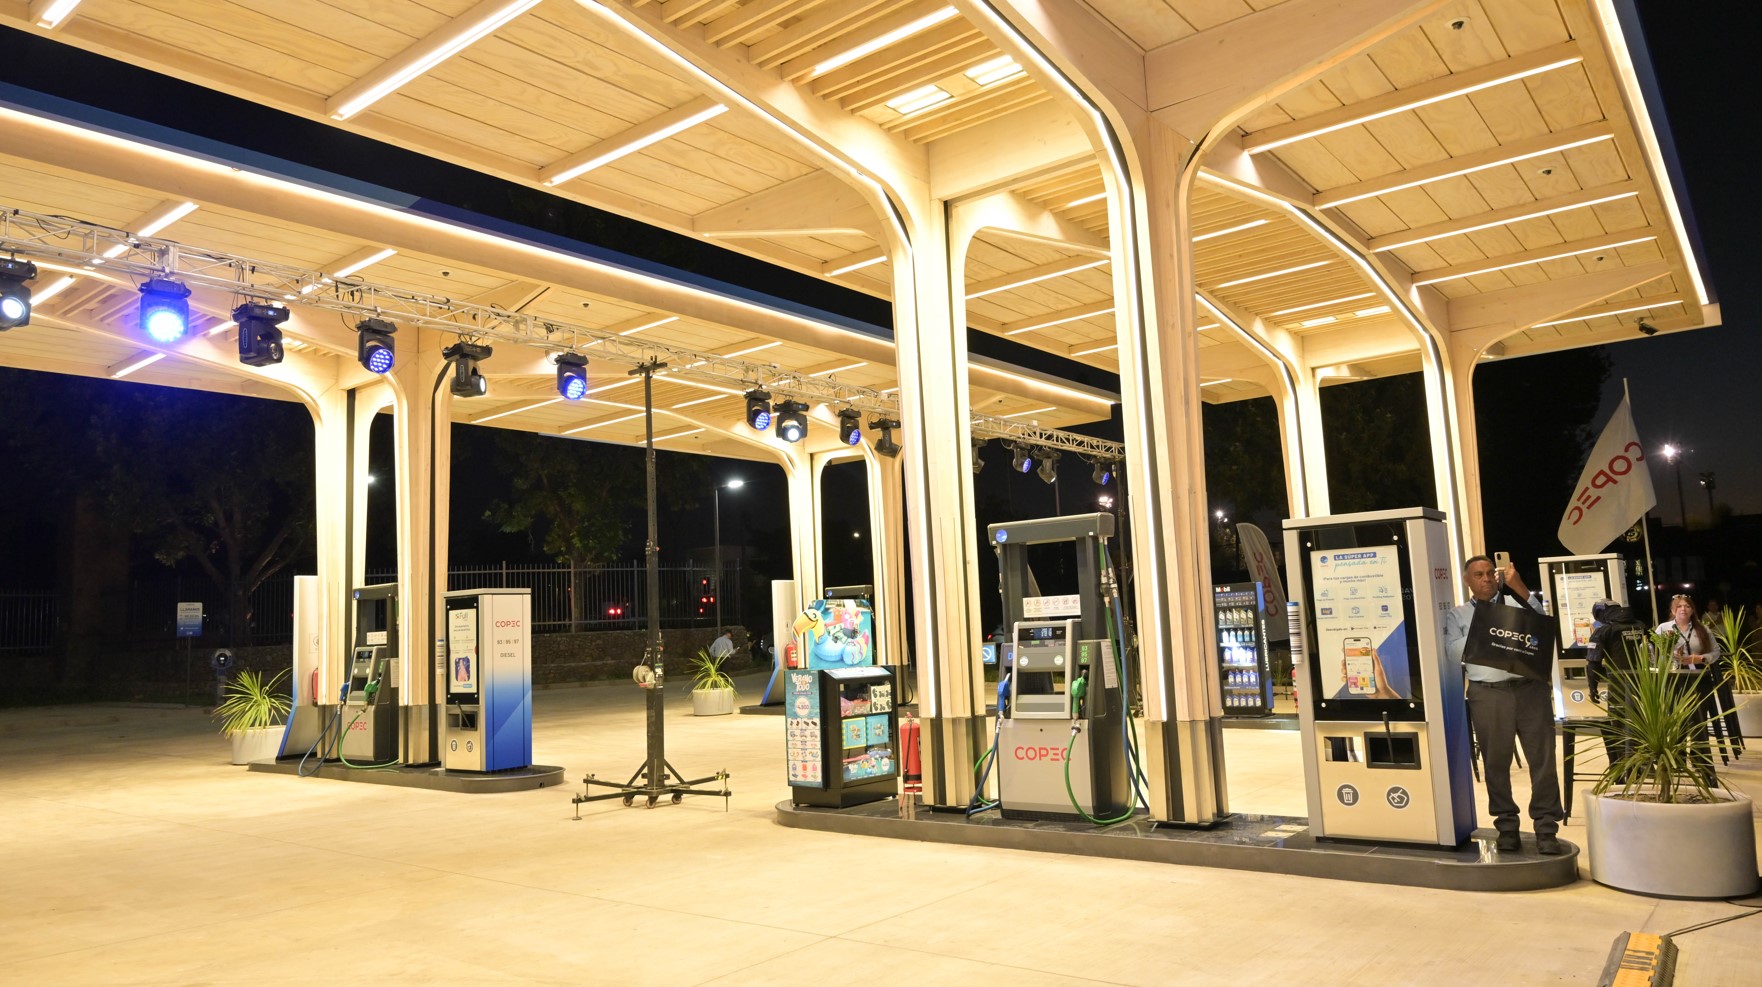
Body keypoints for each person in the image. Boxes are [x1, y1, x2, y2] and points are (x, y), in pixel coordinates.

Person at [1441, 555, 1564, 855]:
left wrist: (1519, 588)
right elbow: (1453, 653)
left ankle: (1547, 828)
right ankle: (1507, 827)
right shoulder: (1457, 616)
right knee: (1496, 764)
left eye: (1489, 574)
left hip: (1530, 692)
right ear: (1468, 581)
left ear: (1497, 578)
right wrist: (1490, 623)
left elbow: (1541, 625)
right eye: (1478, 575)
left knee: (1543, 762)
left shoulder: (1517, 605)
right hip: (1488, 695)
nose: (1485, 579)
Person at [1657, 594, 1719, 668]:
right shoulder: (1663, 628)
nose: (1683, 609)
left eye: (1687, 606)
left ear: (1692, 610)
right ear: (1672, 610)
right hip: (1672, 673)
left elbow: (1716, 652)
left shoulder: (1703, 629)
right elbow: (1655, 653)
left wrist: (1701, 658)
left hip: (1698, 672)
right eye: (1679, 606)